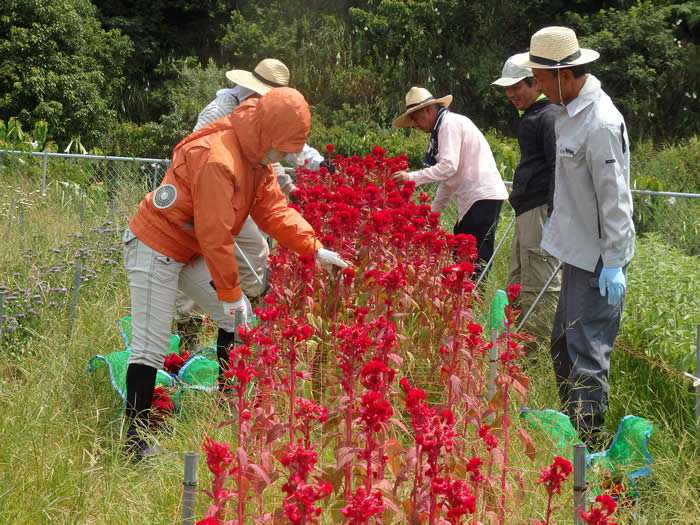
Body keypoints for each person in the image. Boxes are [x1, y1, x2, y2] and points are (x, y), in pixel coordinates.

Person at [122, 87, 348, 459]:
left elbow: (274, 211)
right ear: (268, 133)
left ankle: (233, 406)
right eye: (284, 147)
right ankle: (135, 442)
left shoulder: (256, 158)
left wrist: (315, 248)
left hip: (187, 249)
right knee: (152, 345)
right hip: (156, 244)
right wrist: (229, 294)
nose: (286, 156)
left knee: (241, 318)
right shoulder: (220, 157)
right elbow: (215, 234)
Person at [516, 27, 635, 447]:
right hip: (575, 254)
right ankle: (572, 434)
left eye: (543, 79)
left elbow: (616, 198)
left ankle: (590, 449)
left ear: (566, 75)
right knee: (562, 346)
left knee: (586, 356)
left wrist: (616, 261)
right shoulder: (569, 113)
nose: (540, 87)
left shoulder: (600, 122)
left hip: (600, 262)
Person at [175, 58, 334, 350]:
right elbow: (194, 150)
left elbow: (272, 155)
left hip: (243, 197)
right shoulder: (220, 109)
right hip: (207, 197)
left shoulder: (267, 114)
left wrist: (313, 167)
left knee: (256, 251)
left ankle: (246, 313)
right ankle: (188, 328)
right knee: (196, 256)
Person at [391, 87, 508, 275]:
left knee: (473, 259)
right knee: (462, 255)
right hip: (476, 198)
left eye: (415, 119)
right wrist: (432, 216)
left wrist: (410, 177)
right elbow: (447, 179)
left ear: (428, 111)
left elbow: (448, 167)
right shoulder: (445, 127)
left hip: (481, 196)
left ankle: (470, 301)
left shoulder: (448, 124)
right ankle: (465, 301)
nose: (415, 125)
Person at [491, 53, 561, 347]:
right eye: (506, 88)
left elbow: (559, 167)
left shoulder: (549, 116)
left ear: (536, 83)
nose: (510, 94)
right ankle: (516, 348)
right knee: (519, 281)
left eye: (516, 87)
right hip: (526, 211)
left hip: (541, 212)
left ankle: (537, 351)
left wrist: (555, 218)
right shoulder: (533, 116)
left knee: (539, 285)